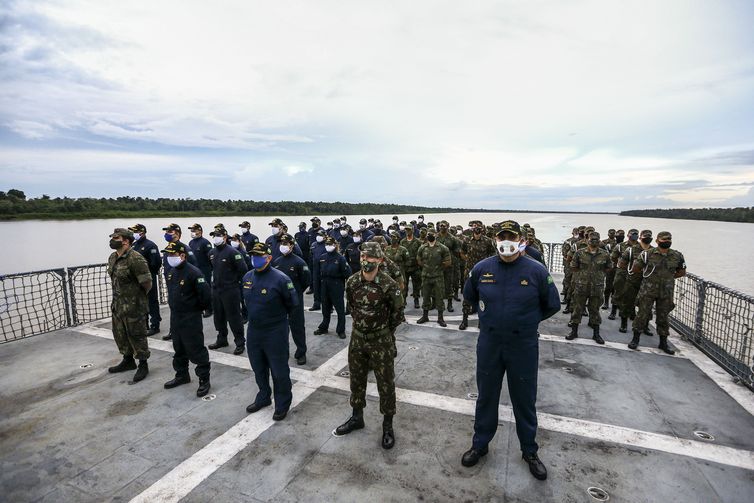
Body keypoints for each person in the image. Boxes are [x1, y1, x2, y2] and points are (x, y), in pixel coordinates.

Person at [461, 220, 560, 481]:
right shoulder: (482, 268)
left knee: (524, 399)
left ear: (520, 240)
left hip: (523, 345)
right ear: (495, 239)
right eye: (501, 236)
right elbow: (469, 295)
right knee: (486, 396)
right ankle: (480, 444)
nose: (506, 240)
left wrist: (526, 322)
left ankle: (529, 451)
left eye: (511, 236)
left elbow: (552, 304)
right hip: (490, 343)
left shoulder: (536, 270)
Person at [333, 242, 404, 449]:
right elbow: (352, 307)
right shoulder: (352, 281)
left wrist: (382, 331)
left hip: (380, 339)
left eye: (371, 258)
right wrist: (363, 328)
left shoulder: (389, 285)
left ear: (380, 260)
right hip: (358, 338)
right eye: (364, 257)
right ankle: (357, 417)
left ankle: (388, 425)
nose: (366, 261)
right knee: (356, 378)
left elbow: (397, 315)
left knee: (386, 383)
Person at [243, 243, 298, 420]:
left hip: (275, 330)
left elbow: (292, 304)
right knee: (258, 367)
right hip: (254, 330)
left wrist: (278, 322)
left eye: (259, 256)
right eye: (253, 255)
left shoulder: (281, 279)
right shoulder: (247, 277)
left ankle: (282, 403)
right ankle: (264, 396)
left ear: (268, 258)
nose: (255, 258)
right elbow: (245, 303)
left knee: (279, 370)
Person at [162, 242, 212, 397]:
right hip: (176, 316)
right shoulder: (171, 272)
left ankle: (204, 380)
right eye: (168, 254)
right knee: (178, 348)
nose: (169, 257)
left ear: (182, 255)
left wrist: (196, 308)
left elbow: (206, 296)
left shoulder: (194, 273)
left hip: (191, 316)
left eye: (172, 254)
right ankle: (182, 375)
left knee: (195, 348)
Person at [106, 228, 153, 383]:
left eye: (116, 237)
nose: (113, 240)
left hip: (134, 306)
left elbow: (147, 283)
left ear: (126, 240)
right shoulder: (113, 257)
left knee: (138, 336)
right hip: (118, 305)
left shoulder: (135, 258)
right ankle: (128, 360)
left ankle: (143, 364)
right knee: (120, 334)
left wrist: (137, 298)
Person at [629, 231, 686, 353]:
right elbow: (636, 268)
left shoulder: (677, 256)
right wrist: (651, 278)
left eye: (668, 239)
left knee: (663, 317)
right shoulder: (647, 254)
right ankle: (635, 339)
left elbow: (682, 272)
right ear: (657, 241)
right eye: (664, 240)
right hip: (648, 290)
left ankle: (663, 343)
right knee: (642, 315)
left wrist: (667, 278)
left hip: (665, 292)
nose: (666, 242)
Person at [208, 227, 249, 355]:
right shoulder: (211, 253)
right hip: (216, 290)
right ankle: (222, 339)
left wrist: (233, 282)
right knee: (218, 316)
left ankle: (240, 342)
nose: (216, 237)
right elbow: (212, 269)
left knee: (234, 317)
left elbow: (243, 270)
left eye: (218, 235)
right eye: (214, 235)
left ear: (225, 237)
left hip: (230, 290)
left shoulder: (233, 252)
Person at [566, 231, 612, 344]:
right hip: (581, 286)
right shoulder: (579, 253)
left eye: (596, 239)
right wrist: (583, 276)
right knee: (577, 309)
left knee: (595, 310)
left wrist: (598, 276)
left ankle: (596, 334)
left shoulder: (605, 254)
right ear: (588, 240)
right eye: (592, 239)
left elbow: (609, 268)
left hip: (597, 287)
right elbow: (573, 267)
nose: (594, 241)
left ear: (599, 240)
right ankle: (574, 331)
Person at [272, 234, 311, 365]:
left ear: (291, 246)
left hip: (295, 300)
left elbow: (306, 280)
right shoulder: (276, 262)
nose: (283, 246)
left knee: (297, 327)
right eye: (281, 244)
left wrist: (297, 292)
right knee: (280, 327)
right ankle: (282, 351)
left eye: (285, 244)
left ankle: (301, 352)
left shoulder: (299, 262)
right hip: (280, 301)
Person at [161, 223, 198, 340]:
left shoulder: (185, 248)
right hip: (171, 282)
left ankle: (185, 331)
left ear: (177, 234)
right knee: (173, 307)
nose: (166, 234)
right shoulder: (168, 249)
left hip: (183, 284)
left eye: (169, 232)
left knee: (184, 309)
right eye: (166, 232)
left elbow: (193, 265)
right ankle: (173, 331)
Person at [459, 220, 496, 330]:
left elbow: (492, 255)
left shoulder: (488, 241)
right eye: (474, 227)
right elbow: (462, 252)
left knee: (482, 297)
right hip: (470, 272)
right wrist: (467, 261)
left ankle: (481, 321)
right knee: (467, 297)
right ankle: (464, 321)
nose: (476, 229)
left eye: (478, 227)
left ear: (482, 228)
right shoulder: (466, 240)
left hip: (483, 273)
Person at [313, 236, 352, 339]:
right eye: (327, 244)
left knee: (340, 309)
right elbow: (317, 274)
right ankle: (324, 327)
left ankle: (340, 330)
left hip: (336, 285)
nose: (328, 246)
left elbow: (348, 273)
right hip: (324, 285)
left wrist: (346, 286)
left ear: (335, 245)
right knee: (325, 308)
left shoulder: (340, 258)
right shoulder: (322, 257)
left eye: (330, 244)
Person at [129, 224, 162, 336]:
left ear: (142, 232)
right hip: (137, 279)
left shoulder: (150, 245)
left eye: (135, 232)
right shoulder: (134, 245)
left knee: (152, 301)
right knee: (140, 302)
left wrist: (149, 273)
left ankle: (155, 325)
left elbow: (156, 262)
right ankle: (144, 324)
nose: (133, 234)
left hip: (149, 276)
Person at [416, 229, 451, 327]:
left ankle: (440, 318)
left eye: (431, 234)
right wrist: (426, 267)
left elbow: (448, 262)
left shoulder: (443, 248)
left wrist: (438, 268)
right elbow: (418, 259)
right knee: (425, 296)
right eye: (428, 234)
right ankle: (425, 316)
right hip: (426, 276)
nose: (430, 236)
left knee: (440, 297)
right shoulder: (422, 247)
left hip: (438, 276)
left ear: (436, 235)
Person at [188, 223, 214, 318]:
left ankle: (209, 308)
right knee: (196, 290)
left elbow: (211, 257)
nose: (192, 232)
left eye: (194, 230)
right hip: (195, 270)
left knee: (206, 289)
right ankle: (199, 307)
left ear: (200, 231)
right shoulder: (191, 243)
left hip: (205, 269)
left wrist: (211, 269)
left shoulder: (205, 243)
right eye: (191, 231)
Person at [400, 226, 423, 308]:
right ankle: (404, 300)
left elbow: (421, 254)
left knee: (416, 285)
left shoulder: (418, 242)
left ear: (412, 230)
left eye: (409, 230)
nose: (407, 231)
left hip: (415, 267)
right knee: (404, 284)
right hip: (405, 267)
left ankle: (416, 300)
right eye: (406, 230)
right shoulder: (402, 241)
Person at [309, 228, 328, 311]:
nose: (318, 237)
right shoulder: (314, 244)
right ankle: (316, 303)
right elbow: (311, 255)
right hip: (315, 268)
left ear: (324, 237)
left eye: (320, 235)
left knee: (325, 288)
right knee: (316, 286)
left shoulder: (327, 245)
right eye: (318, 235)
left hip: (325, 268)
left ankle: (328, 305)